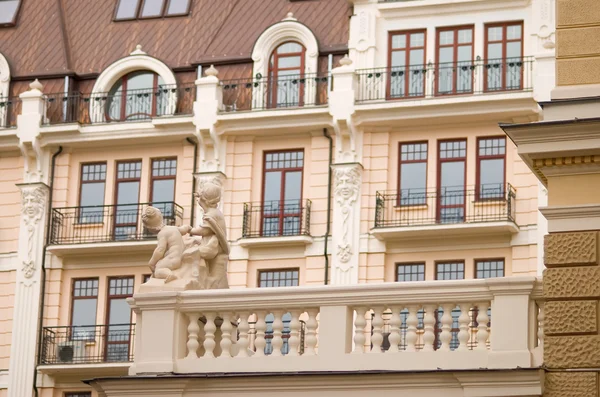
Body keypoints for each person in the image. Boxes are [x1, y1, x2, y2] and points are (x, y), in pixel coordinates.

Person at [190, 182, 229, 289]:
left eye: (200, 197)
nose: (197, 199)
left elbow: (204, 231)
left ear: (204, 199)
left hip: (218, 254)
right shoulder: (213, 212)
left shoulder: (212, 214)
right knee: (214, 280)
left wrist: (189, 230)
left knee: (216, 281)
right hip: (216, 252)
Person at [142, 206, 192, 283]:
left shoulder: (162, 234)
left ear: (151, 228)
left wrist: (152, 262)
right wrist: (188, 227)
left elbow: (160, 249)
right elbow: (183, 229)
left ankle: (170, 275)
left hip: (173, 259)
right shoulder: (173, 228)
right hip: (180, 256)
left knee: (158, 270)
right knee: (160, 263)